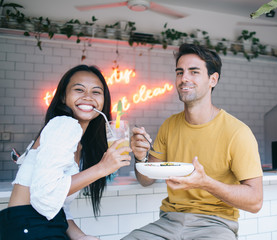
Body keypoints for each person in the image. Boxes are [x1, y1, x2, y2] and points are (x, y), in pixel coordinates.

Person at [126, 44, 263, 239]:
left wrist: (206, 183)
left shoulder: (238, 132)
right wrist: (140, 158)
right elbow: (146, 181)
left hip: (216, 224)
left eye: (194, 72)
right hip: (169, 221)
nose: (184, 79)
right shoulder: (169, 126)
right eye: (180, 72)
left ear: (212, 80)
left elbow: (255, 202)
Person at [0, 65, 132, 240]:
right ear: (63, 96)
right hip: (27, 227)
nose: (87, 97)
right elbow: (45, 198)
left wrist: (81, 237)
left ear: (103, 101)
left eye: (96, 92)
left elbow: (58, 206)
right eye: (79, 89)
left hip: (39, 226)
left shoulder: (81, 144)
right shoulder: (64, 125)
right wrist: (101, 168)